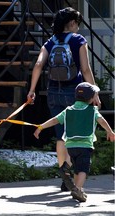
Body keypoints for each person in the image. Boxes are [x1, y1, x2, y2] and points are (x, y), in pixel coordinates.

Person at [27, 7, 101, 191]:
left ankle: (63, 174)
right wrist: (95, 92)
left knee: (61, 134)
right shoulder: (79, 40)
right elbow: (85, 69)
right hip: (75, 93)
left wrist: (32, 90)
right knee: (76, 134)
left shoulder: (50, 42)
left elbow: (38, 65)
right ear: (73, 23)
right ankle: (75, 173)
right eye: (77, 24)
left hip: (53, 91)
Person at [34, 82, 115, 202]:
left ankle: (78, 188)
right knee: (83, 169)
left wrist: (41, 127)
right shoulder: (93, 111)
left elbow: (55, 120)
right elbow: (102, 121)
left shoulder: (68, 110)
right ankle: (77, 189)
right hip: (85, 145)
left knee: (77, 168)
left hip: (70, 146)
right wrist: (110, 131)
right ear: (92, 98)